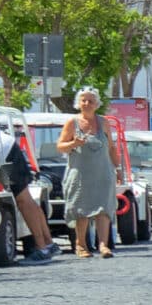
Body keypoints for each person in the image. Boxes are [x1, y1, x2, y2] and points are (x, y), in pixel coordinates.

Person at [58, 88, 119, 258]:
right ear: (78, 103)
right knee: (81, 210)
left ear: (97, 104)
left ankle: (103, 245)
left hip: (103, 173)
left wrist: (118, 168)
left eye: (90, 101)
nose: (86, 104)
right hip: (80, 175)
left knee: (103, 209)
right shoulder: (72, 123)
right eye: (83, 100)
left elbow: (112, 148)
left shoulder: (104, 122)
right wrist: (73, 144)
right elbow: (60, 146)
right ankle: (81, 245)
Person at [0, 123, 58, 262]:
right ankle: (48, 243)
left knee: (23, 199)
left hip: (4, 151)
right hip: (0, 148)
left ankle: (41, 247)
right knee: (27, 199)